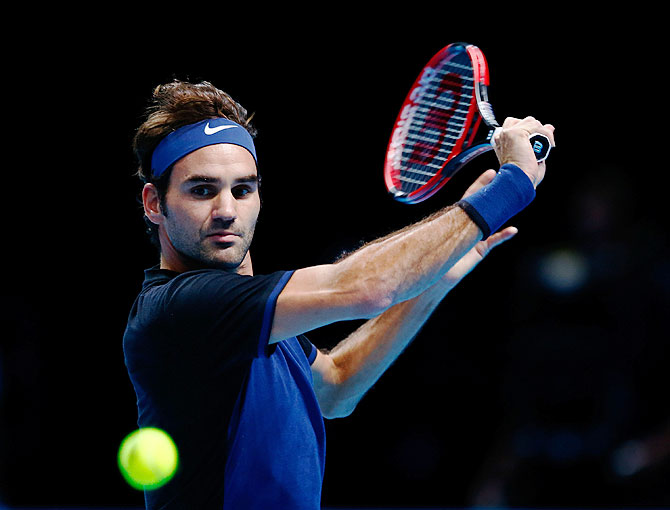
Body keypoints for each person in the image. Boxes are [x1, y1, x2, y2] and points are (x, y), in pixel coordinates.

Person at [122, 79, 555, 509]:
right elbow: (367, 286)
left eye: (242, 189)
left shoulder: (253, 317)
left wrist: (433, 278)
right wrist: (512, 184)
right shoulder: (182, 307)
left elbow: (336, 387)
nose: (227, 211)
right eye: (202, 190)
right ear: (154, 203)